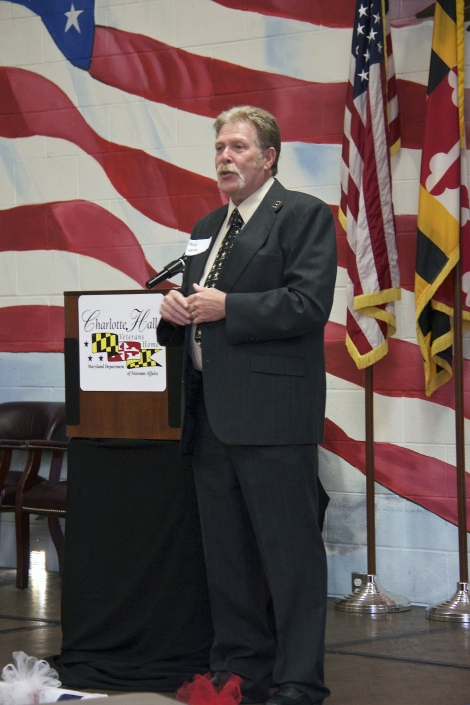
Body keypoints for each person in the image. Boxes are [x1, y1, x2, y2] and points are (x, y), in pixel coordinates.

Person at [158, 106, 337, 705]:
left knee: (290, 559)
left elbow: (307, 304)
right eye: (219, 148)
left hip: (273, 415)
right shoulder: (207, 225)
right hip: (210, 415)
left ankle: (298, 680)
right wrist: (175, 312)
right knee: (228, 560)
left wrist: (227, 306)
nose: (225, 158)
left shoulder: (305, 215)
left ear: (269, 157)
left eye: (238, 146)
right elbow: (196, 307)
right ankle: (238, 671)